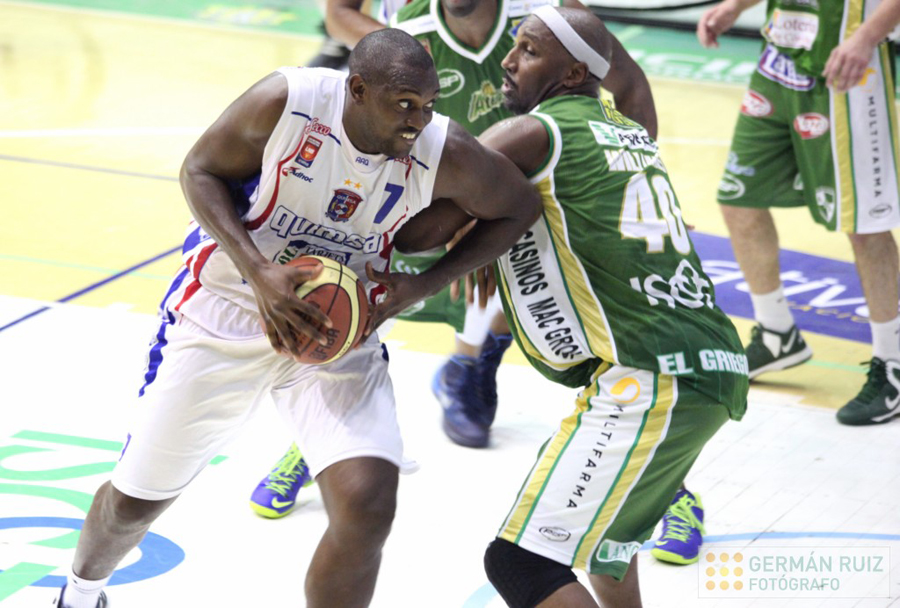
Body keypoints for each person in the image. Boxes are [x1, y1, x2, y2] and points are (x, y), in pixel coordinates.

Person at [54, 28, 541, 608]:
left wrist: (421, 285)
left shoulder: (443, 149)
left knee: (368, 503)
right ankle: (80, 593)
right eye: (405, 104)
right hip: (229, 305)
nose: (419, 120)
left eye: (429, 104)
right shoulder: (287, 102)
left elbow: (518, 207)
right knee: (133, 504)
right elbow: (199, 171)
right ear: (357, 90)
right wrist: (259, 272)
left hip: (342, 328)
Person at [367, 7, 750, 605]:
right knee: (607, 556)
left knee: (520, 564)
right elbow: (628, 86)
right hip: (706, 364)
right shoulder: (627, 132)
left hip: (655, 375)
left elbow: (420, 232)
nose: (508, 62)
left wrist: (470, 204)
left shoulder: (533, 133)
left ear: (572, 74)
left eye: (527, 51)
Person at [250, 0, 659, 520]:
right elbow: (339, 16)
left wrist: (644, 186)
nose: (515, 60)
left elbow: (629, 82)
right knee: (348, 308)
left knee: (610, 340)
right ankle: (319, 446)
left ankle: (476, 363)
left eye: (527, 52)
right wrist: (462, 213)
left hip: (516, 197)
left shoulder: (547, 20)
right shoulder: (410, 34)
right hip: (429, 195)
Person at [697, 0, 900, 426]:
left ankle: (893, 362)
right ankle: (776, 334)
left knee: (864, 223)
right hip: (779, 59)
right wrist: (735, 6)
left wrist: (867, 35)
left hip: (848, 66)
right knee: (739, 198)